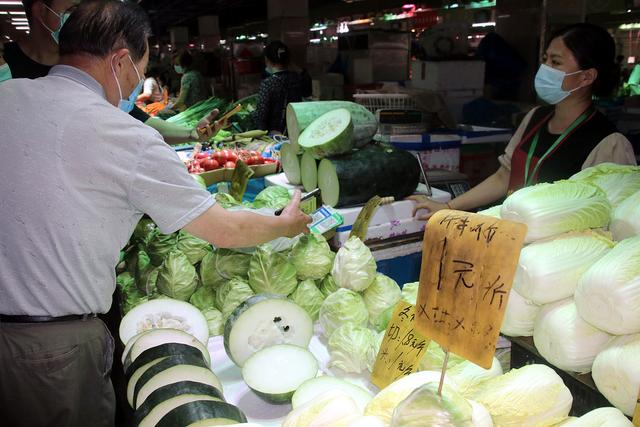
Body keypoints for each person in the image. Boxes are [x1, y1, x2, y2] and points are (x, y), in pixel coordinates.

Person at [0, 2, 310, 427]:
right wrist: (286, 224)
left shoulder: (7, 95)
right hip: (52, 352)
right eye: (138, 70)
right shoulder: (125, 135)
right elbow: (222, 229)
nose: (133, 84)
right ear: (121, 60)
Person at [411, 23, 637, 220]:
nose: (545, 68)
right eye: (545, 59)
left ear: (586, 76)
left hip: (550, 257)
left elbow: (608, 213)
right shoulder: (535, 118)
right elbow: (503, 176)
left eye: (556, 62)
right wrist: (449, 206)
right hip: (512, 234)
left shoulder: (609, 143)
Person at [0, 0, 218, 146]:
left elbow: (133, 116)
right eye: (72, 11)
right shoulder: (5, 71)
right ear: (40, 12)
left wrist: (190, 134)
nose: (81, 18)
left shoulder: (89, 65)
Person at [253, 40, 303, 133]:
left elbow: (261, 115)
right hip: (295, 131)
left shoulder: (268, 83)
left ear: (266, 60)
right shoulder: (297, 79)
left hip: (275, 135)